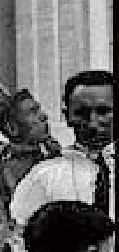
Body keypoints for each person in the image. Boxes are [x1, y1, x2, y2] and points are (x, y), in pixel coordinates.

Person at [11, 70, 114, 224]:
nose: (93, 123)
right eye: (81, 113)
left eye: (103, 112)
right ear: (67, 116)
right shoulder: (44, 175)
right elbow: (18, 232)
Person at [0, 91, 59, 192]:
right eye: (33, 112)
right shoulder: (2, 175)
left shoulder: (51, 157)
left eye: (39, 109)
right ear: (12, 128)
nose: (44, 116)